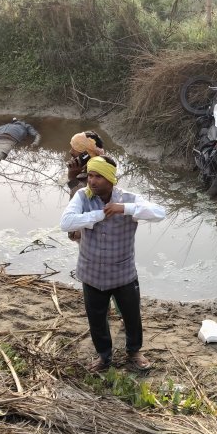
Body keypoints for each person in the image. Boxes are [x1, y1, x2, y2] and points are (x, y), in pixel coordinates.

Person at [59, 156, 166, 372]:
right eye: (90, 175)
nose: (92, 181)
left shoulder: (128, 198)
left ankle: (134, 352)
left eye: (98, 176)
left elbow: (159, 213)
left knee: (131, 315)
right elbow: (66, 222)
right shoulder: (82, 196)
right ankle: (104, 357)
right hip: (92, 272)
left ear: (110, 179)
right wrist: (99, 215)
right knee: (97, 318)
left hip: (122, 272)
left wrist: (124, 209)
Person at [66, 131, 106, 242]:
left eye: (75, 148)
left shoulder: (95, 177)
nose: (70, 151)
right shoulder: (101, 166)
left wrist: (72, 178)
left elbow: (83, 201)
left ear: (87, 155)